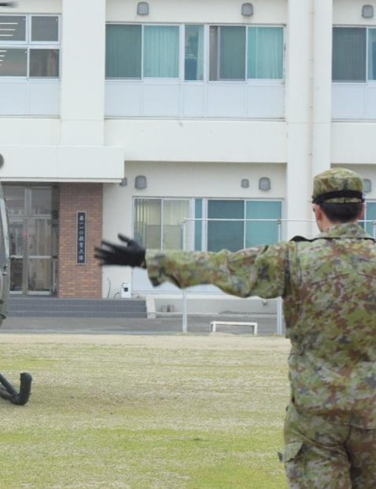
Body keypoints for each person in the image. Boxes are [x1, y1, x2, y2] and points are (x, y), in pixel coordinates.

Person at [94, 168, 376, 488]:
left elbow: (223, 267)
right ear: (362, 210)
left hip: (317, 416)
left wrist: (149, 259)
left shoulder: (293, 259)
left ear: (317, 210)